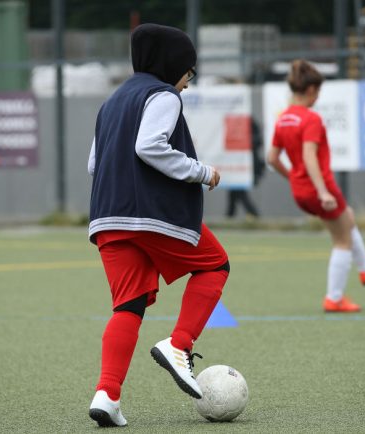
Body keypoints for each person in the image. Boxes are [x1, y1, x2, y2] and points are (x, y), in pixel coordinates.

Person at [86, 23, 230, 427]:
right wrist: (200, 172)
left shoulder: (112, 102)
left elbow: (93, 164)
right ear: (174, 66)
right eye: (189, 72)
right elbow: (149, 146)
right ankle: (179, 345)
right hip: (153, 213)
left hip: (107, 217)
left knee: (128, 306)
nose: (187, 82)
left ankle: (107, 395)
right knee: (215, 264)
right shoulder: (163, 95)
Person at [267, 59, 365, 313]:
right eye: (319, 92)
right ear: (312, 90)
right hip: (319, 187)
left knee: (347, 217)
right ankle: (334, 298)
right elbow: (310, 156)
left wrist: (293, 177)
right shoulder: (310, 118)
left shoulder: (284, 119)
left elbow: (271, 158)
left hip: (300, 189)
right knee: (342, 240)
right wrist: (323, 190)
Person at [226, 118, 264, 220]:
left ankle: (253, 215)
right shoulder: (229, 119)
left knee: (239, 191)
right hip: (234, 164)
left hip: (248, 165)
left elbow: (259, 141)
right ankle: (230, 216)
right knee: (235, 191)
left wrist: (245, 140)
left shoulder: (249, 120)